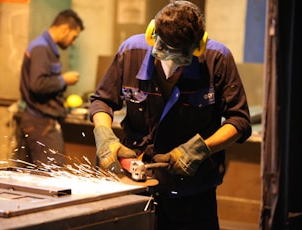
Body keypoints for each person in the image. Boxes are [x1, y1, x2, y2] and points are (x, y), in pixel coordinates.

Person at [89, 1, 251, 229]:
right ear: (151, 35)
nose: (170, 63)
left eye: (180, 55)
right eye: (164, 50)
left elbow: (239, 121)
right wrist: (105, 134)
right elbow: (103, 101)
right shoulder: (130, 52)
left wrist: (200, 150)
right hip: (135, 186)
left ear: (198, 46)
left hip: (193, 194)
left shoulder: (217, 60)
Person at [17, 9, 84, 168]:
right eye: (74, 37)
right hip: (41, 123)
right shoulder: (41, 48)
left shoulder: (44, 46)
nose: (73, 42)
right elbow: (37, 84)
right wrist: (64, 80)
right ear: (65, 29)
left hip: (39, 121)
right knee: (52, 177)